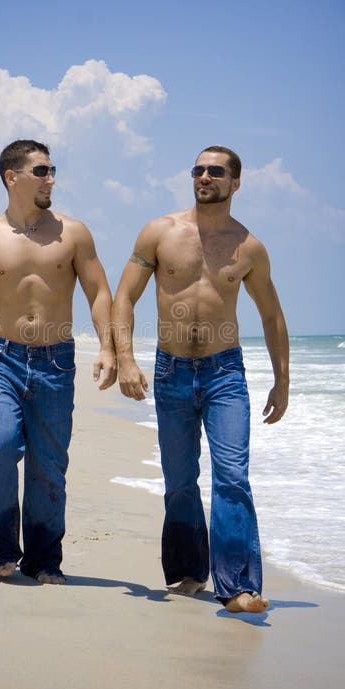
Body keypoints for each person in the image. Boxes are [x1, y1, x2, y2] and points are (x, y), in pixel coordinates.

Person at [112, 146, 289, 613]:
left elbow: (271, 315)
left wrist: (282, 381)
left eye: (215, 171)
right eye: (198, 170)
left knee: (232, 476)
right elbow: (124, 297)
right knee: (179, 480)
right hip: (170, 370)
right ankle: (189, 572)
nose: (204, 176)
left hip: (224, 372)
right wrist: (126, 360)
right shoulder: (160, 232)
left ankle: (239, 586)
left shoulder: (248, 246)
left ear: (235, 183)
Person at [0, 139, 116, 582]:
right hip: (4, 358)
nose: (51, 178)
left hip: (56, 362)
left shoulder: (73, 233)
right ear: (11, 176)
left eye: (53, 170)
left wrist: (110, 347)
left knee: (48, 467)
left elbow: (99, 292)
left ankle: (43, 560)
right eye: (41, 171)